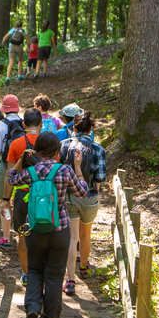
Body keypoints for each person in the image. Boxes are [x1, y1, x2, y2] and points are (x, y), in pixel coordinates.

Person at [8, 132, 88, 318]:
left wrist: (19, 161)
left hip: (34, 230)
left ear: (37, 150)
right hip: (59, 229)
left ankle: (33, 308)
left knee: (34, 271)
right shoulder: (65, 170)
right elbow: (82, 192)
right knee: (54, 276)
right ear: (56, 151)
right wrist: (78, 168)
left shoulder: (32, 171)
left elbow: (12, 179)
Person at [59, 111, 105, 296]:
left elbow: (59, 170)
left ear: (73, 127)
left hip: (69, 195)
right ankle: (84, 267)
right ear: (91, 129)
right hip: (90, 196)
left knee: (72, 237)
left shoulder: (63, 146)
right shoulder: (98, 149)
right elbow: (100, 177)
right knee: (86, 234)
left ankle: (70, 279)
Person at [4, 108, 43, 287]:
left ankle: (27, 273)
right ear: (41, 124)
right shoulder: (49, 144)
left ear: (23, 124)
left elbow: (9, 173)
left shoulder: (16, 144)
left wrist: (6, 199)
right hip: (44, 196)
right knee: (43, 234)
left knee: (23, 235)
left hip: (22, 194)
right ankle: (41, 271)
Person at [0, 94, 24, 249]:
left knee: (5, 201)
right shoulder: (24, 123)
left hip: (5, 165)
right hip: (23, 165)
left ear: (4, 109)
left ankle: (6, 236)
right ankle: (22, 235)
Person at [1, 20, 26, 85]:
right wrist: (29, 46)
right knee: (20, 61)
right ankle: (19, 75)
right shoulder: (23, 31)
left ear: (16, 25)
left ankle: (7, 78)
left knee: (11, 62)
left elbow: (5, 37)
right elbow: (27, 39)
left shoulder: (12, 30)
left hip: (11, 46)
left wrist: (3, 43)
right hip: (19, 47)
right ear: (21, 25)